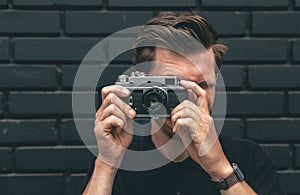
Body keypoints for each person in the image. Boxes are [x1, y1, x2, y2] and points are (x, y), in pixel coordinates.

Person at [83, 12, 286, 195]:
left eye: (202, 85)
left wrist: (221, 169)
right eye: (174, 86)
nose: (189, 98)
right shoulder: (120, 159)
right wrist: (106, 164)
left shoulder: (249, 158)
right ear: (143, 85)